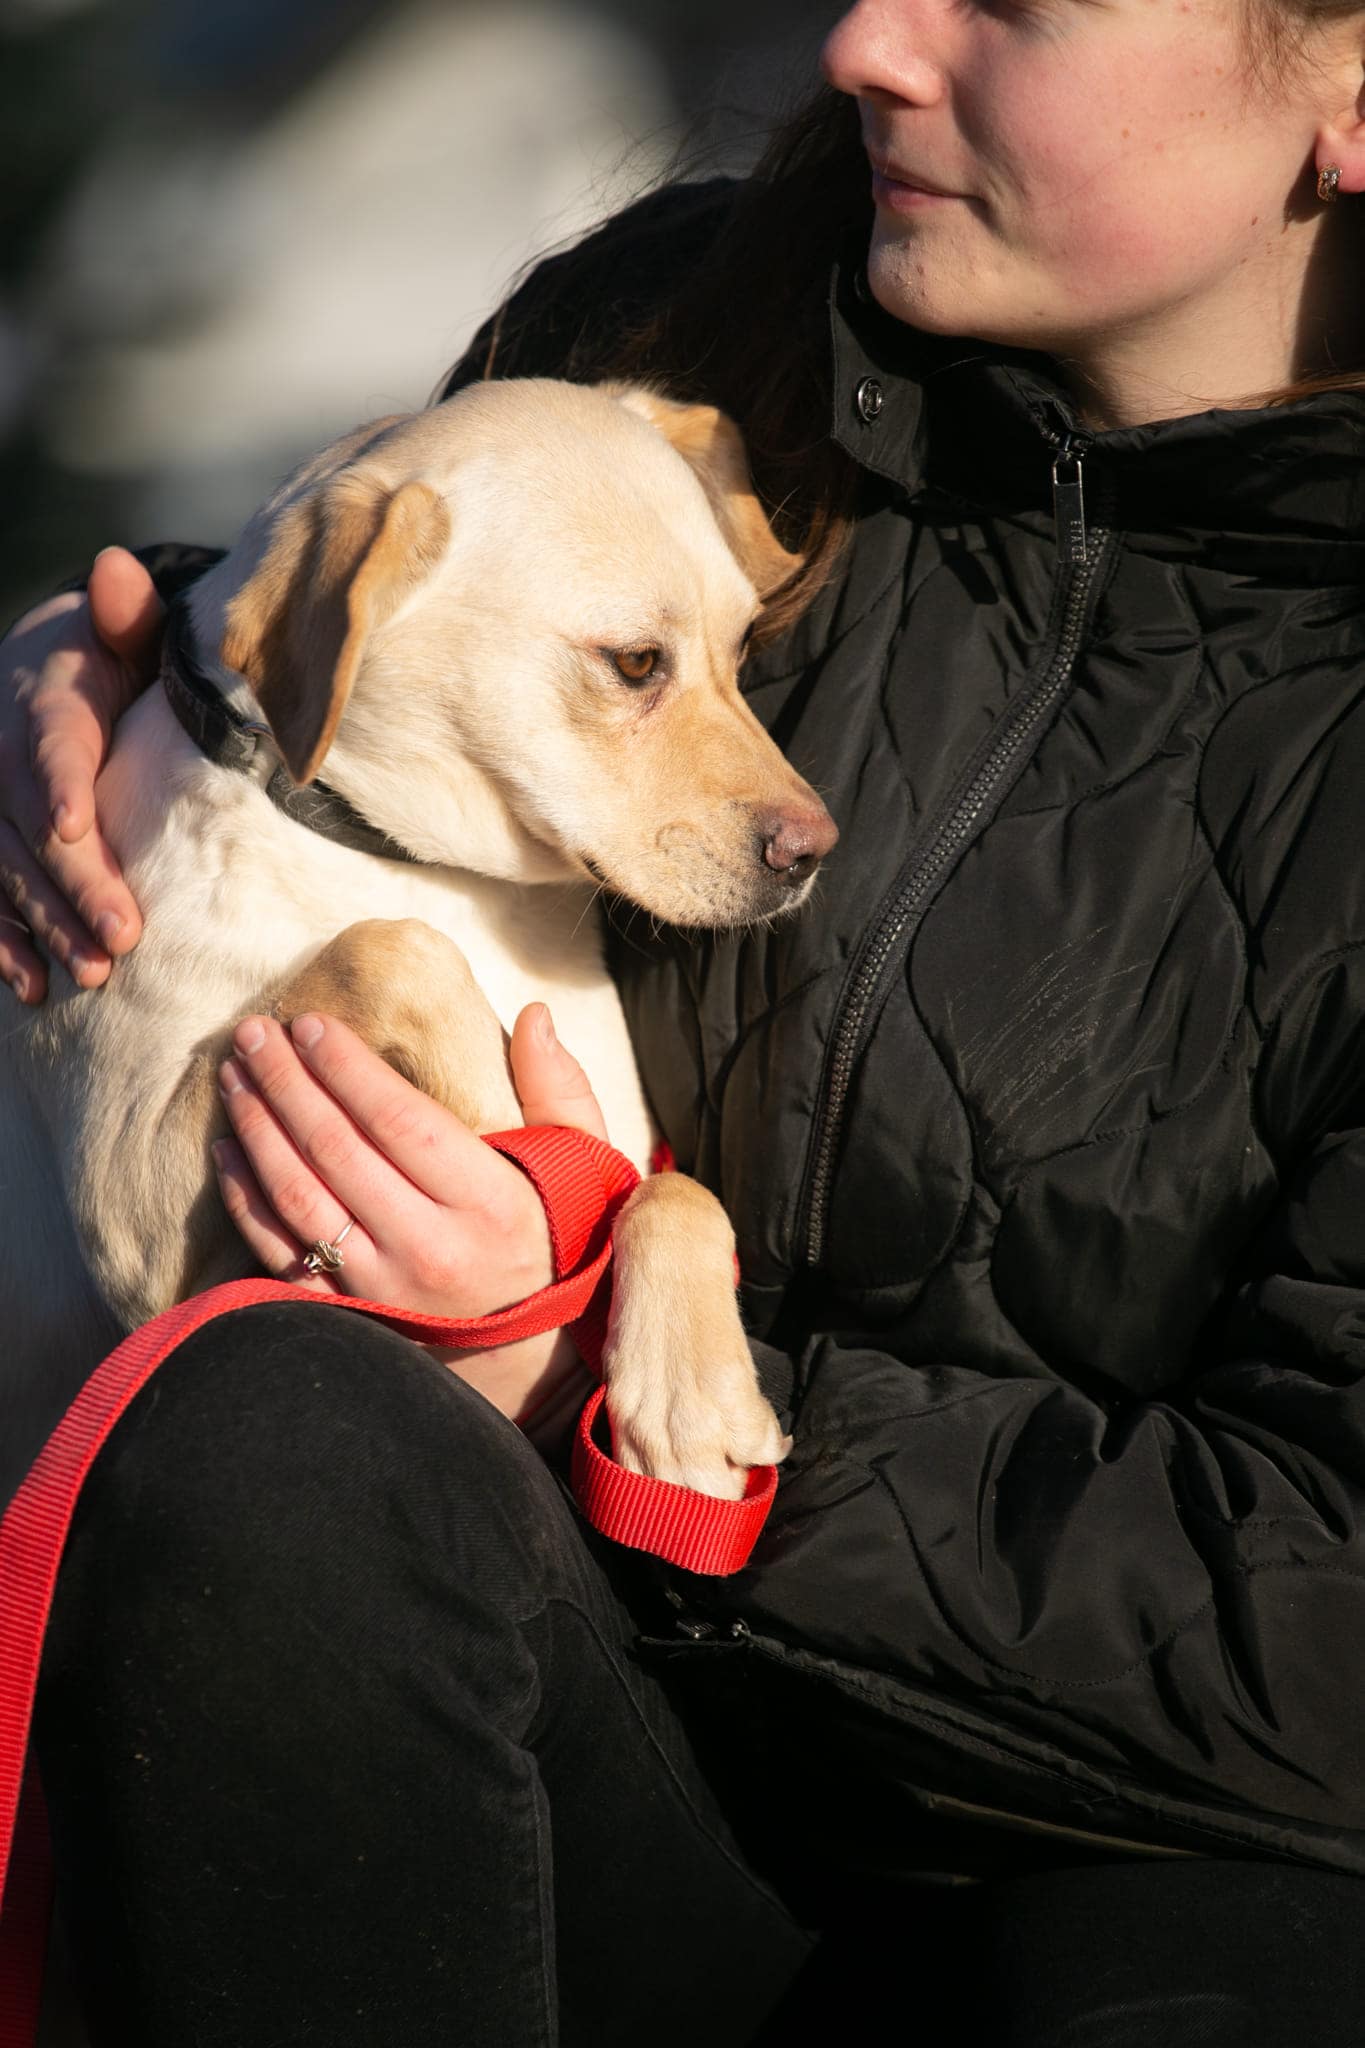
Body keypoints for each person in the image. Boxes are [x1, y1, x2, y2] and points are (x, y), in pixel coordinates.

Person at [5, 0, 1365, 2038]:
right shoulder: (696, 326)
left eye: (1010, 1)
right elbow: (404, 652)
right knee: (277, 1441)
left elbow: (1324, 1634)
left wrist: (625, 1399)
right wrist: (143, 658)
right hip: (587, 1748)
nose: (865, 38)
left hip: (1139, 1858)